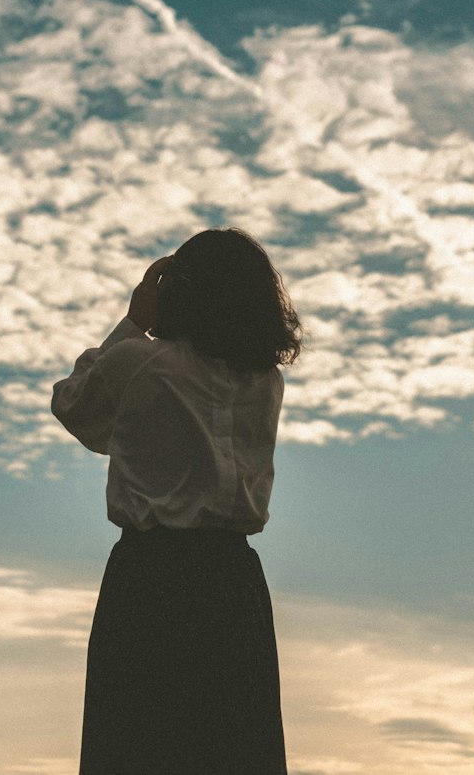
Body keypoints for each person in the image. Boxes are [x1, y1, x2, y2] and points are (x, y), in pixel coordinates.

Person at [51, 225, 304, 775]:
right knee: (234, 746)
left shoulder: (140, 362)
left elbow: (76, 409)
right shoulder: (266, 382)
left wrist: (134, 321)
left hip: (151, 576)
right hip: (233, 581)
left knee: (135, 743)